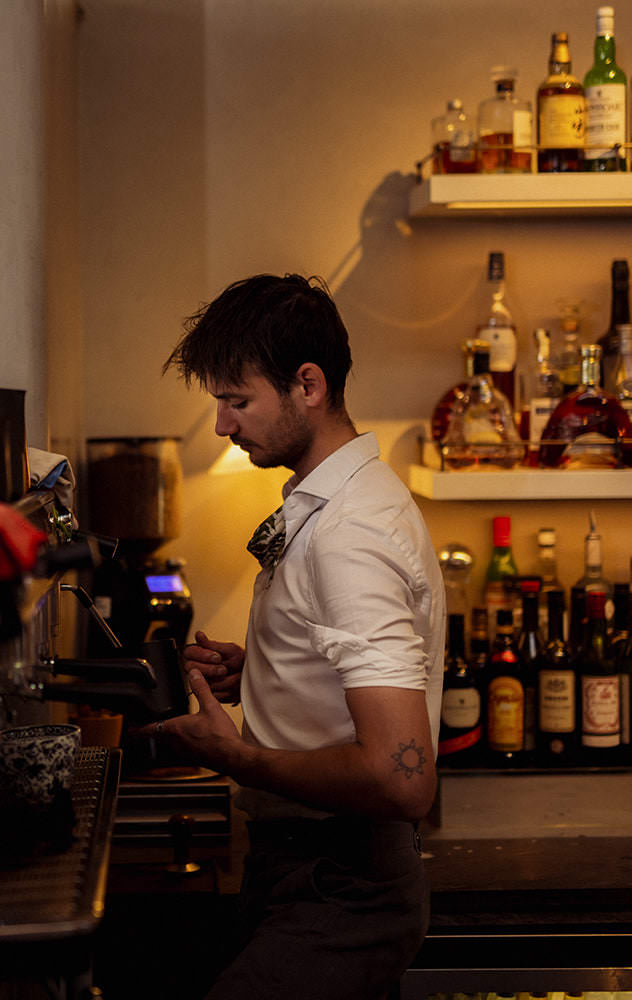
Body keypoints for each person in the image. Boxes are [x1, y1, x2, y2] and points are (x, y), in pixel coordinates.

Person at [151, 273, 446, 1000]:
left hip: (343, 884)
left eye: (237, 400)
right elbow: (351, 666)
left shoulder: (350, 533)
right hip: (308, 868)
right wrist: (264, 671)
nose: (222, 424)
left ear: (308, 384)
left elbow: (401, 778)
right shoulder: (333, 504)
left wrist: (239, 757)